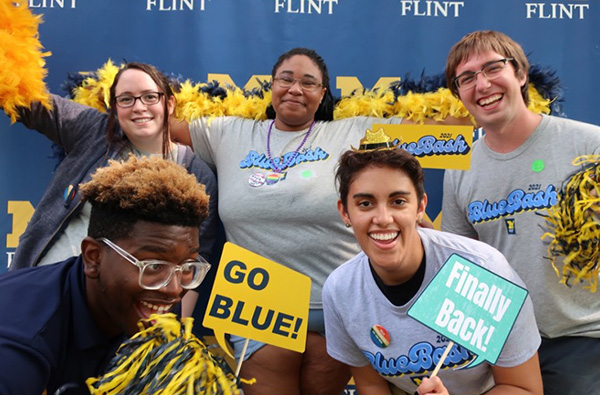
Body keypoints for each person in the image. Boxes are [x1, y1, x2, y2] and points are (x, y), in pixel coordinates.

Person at [171, 47, 471, 395]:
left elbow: (453, 137)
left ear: (323, 94)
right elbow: (153, 118)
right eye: (286, 79)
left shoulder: (356, 131)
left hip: (338, 306)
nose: (296, 88)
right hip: (258, 307)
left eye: (309, 82)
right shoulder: (227, 133)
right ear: (270, 85)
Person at [441, 30, 600, 394]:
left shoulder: (591, 145)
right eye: (466, 78)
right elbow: (461, 267)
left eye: (493, 68)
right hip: (503, 347)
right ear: (458, 93)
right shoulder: (459, 169)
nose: (482, 84)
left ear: (521, 74)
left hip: (582, 338)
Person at [323, 142, 543, 395]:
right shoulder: (341, 291)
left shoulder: (483, 269)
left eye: (398, 201)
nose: (383, 218)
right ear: (345, 212)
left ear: (420, 206)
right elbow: (372, 385)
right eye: (365, 204)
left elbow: (524, 388)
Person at [8, 62, 218, 316]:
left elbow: (193, 261)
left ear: (169, 103)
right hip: (44, 294)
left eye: (150, 97)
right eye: (126, 99)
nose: (139, 107)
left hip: (124, 315)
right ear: (115, 108)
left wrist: (175, 332)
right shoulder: (95, 134)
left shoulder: (196, 174)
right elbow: (27, 101)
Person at [0, 155, 212, 395]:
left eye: (187, 267)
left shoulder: (154, 303)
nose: (174, 290)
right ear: (93, 257)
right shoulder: (20, 338)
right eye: (153, 266)